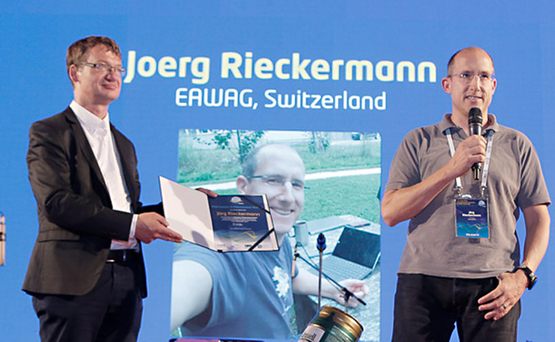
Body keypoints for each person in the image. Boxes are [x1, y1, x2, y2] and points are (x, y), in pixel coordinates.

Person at [23, 36, 190, 342]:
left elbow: (128, 211)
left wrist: (190, 207)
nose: (113, 74)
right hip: (72, 281)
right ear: (75, 73)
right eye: (101, 66)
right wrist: (134, 224)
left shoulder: (124, 143)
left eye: (118, 68)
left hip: (127, 279)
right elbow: (57, 203)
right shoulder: (49, 132)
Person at [381, 47, 551, 342]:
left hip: (494, 284)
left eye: (484, 76)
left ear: (493, 86)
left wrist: (523, 276)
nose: (476, 85)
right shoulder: (418, 141)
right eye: (466, 75)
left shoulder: (517, 144)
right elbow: (391, 212)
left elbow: (539, 218)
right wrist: (450, 170)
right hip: (423, 280)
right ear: (447, 84)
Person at [171, 144, 368, 339]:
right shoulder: (215, 253)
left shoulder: (274, 235)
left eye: (297, 185)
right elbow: (175, 292)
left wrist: (335, 289)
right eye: (274, 180)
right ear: (243, 186)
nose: (288, 197)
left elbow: (289, 277)